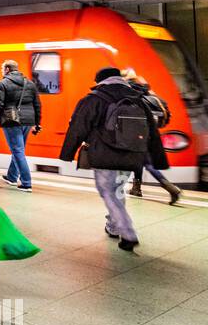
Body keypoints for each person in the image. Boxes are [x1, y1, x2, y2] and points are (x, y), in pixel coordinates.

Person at [60, 66, 169, 252]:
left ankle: (128, 233)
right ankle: (113, 226)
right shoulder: (137, 99)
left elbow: (78, 127)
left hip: (105, 155)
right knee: (117, 190)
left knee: (108, 192)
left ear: (100, 81)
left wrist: (67, 154)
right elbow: (152, 131)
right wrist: (158, 158)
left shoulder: (93, 99)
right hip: (131, 154)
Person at [126, 73, 182, 204]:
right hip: (151, 133)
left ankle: (171, 189)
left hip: (136, 135)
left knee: (147, 163)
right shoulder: (152, 95)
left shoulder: (131, 95)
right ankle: (136, 188)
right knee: (139, 161)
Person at [0, 59, 42, 191]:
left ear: (7, 69)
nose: (2, 72)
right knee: (19, 149)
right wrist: (37, 122)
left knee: (17, 150)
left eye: (3, 69)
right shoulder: (29, 83)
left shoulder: (2, 83)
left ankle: (26, 182)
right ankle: (12, 176)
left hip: (11, 120)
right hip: (28, 121)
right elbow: (37, 105)